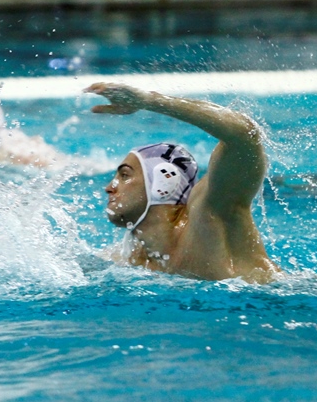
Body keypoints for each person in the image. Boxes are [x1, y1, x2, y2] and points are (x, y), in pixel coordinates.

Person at [85, 82, 280, 283]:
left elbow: (245, 135)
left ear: (164, 182)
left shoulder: (210, 217)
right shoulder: (128, 258)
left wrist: (149, 101)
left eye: (125, 176)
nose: (109, 188)